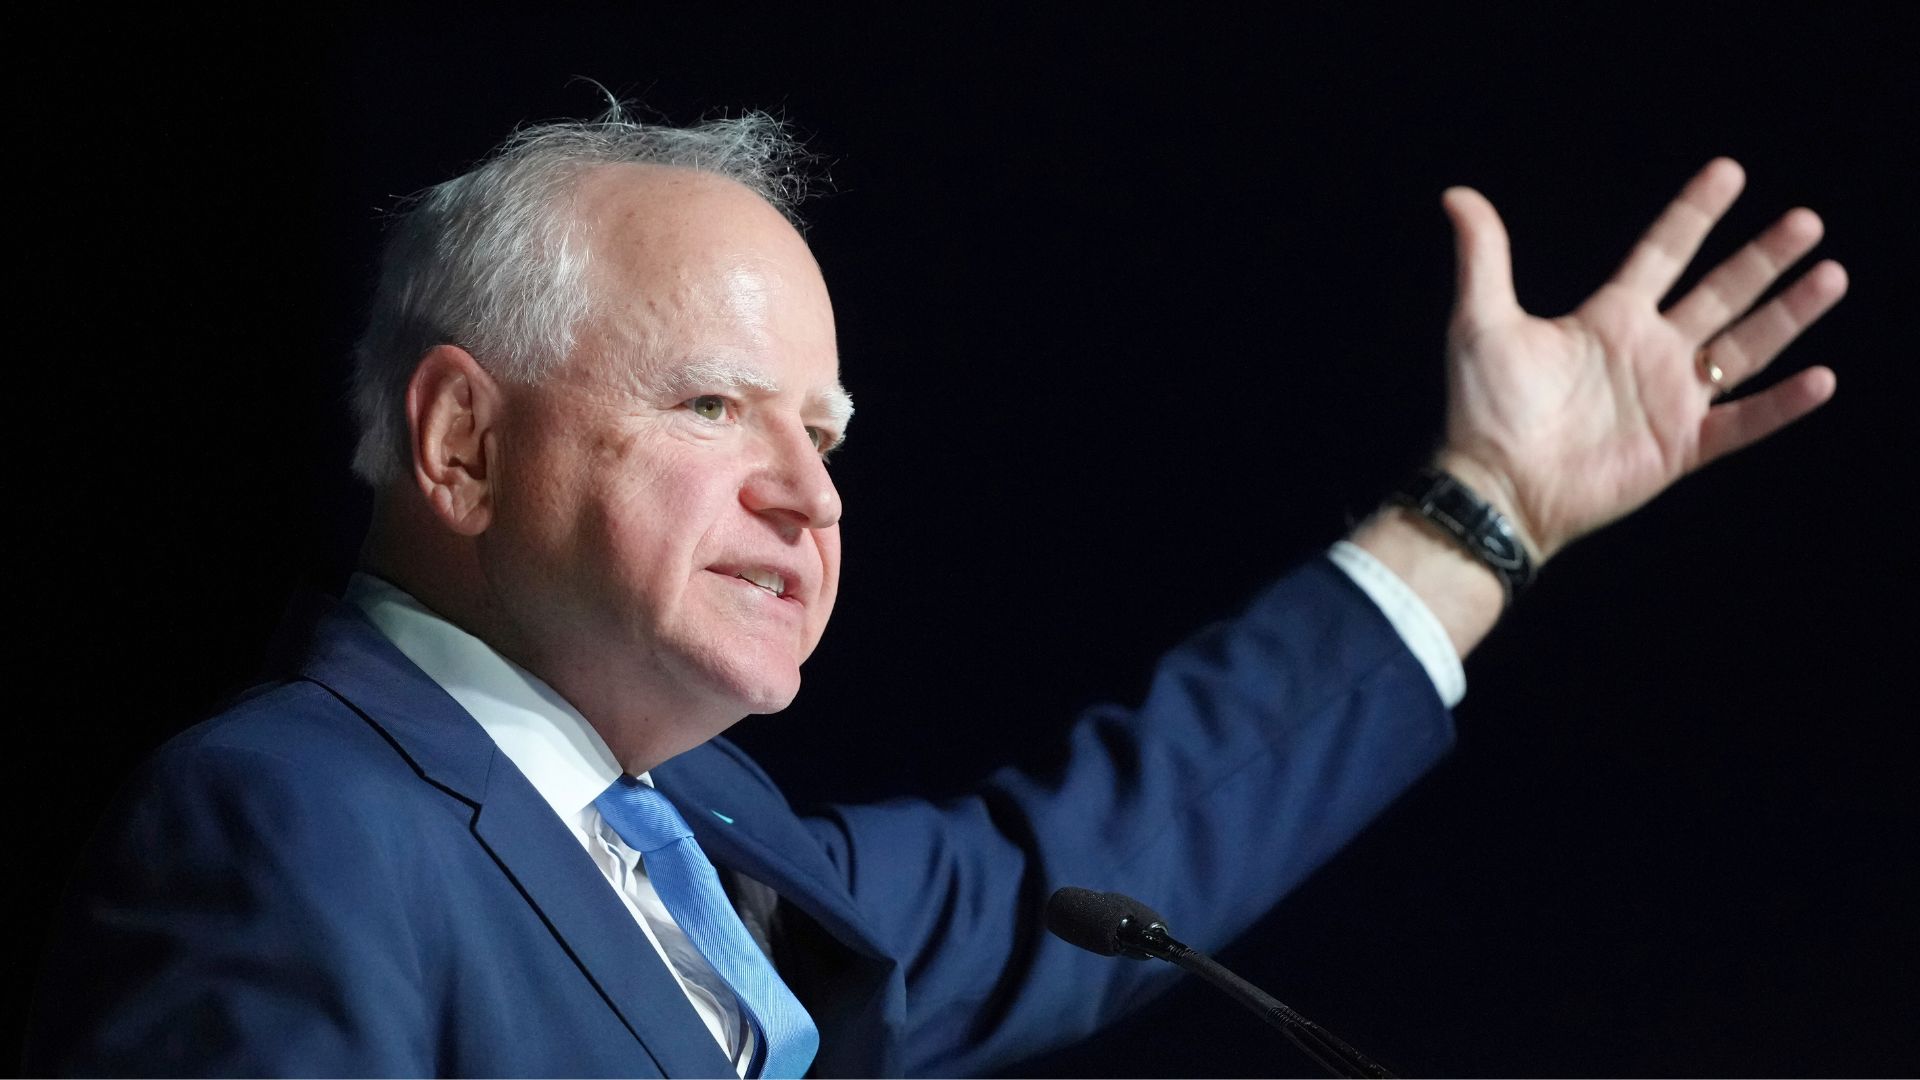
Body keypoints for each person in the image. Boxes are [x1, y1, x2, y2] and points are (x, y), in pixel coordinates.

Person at [25, 109, 1846, 1077]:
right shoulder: (292, 821)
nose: (809, 492)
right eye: (713, 407)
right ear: (461, 445)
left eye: (824, 433)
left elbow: (1091, 865)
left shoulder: (707, 838)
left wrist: (1491, 512)